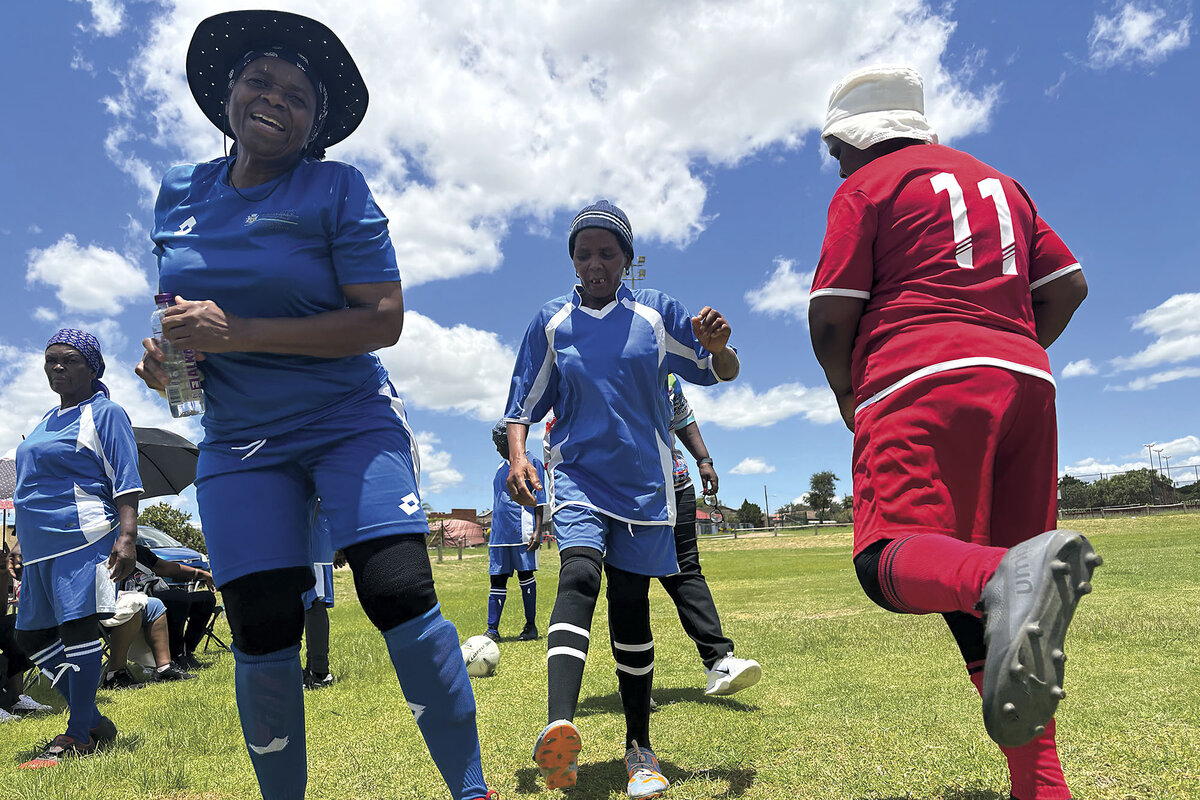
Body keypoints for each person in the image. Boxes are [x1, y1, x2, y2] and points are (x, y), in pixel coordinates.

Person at [135, 11, 493, 800]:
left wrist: (240, 330)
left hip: (347, 418)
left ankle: (472, 791)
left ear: (314, 124)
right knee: (262, 628)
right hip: (238, 441)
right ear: (227, 92)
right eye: (260, 81)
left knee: (398, 592)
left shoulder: (336, 187)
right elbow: (185, 331)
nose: (275, 99)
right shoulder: (177, 196)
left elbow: (384, 320)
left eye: (297, 95)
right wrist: (173, 374)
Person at [808, 66, 1100, 800]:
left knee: (887, 559)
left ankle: (1004, 580)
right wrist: (1007, 349)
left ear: (855, 139)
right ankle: (1044, 787)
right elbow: (1067, 285)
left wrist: (850, 393)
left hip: (919, 374)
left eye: (836, 148)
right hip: (1027, 381)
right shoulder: (1003, 183)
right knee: (995, 619)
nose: (836, 163)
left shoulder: (866, 186)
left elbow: (831, 313)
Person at [504, 199, 740, 798]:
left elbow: (721, 370)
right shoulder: (551, 322)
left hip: (645, 490)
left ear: (627, 260)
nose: (594, 263)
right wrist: (518, 454)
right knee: (579, 575)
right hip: (581, 477)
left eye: (607, 253)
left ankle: (640, 748)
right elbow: (522, 403)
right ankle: (560, 723)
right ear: (573, 260)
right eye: (583, 254)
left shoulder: (657, 314)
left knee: (631, 608)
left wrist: (719, 345)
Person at [9, 329, 140, 767]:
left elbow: (125, 478)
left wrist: (127, 537)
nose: (57, 367)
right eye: (50, 360)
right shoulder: (47, 418)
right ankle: (91, 717)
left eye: (69, 360)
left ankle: (79, 734)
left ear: (93, 368)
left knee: (77, 627)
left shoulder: (105, 413)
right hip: (40, 547)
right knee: (29, 634)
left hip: (81, 536)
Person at [659, 375, 761, 696]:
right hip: (624, 489)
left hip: (676, 485)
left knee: (686, 570)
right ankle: (633, 677)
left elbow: (683, 417)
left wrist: (703, 459)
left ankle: (719, 661)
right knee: (627, 580)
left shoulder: (668, 373)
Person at [485, 421, 544, 643]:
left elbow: (540, 499)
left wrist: (538, 531)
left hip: (523, 532)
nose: (497, 447)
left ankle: (530, 626)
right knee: (497, 580)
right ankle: (492, 630)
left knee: (525, 577)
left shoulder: (532, 461)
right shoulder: (501, 467)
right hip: (499, 536)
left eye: (499, 442)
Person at [123, 543, 217, 670]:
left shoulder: (139, 551)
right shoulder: (108, 555)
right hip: (133, 604)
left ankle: (186, 651)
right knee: (178, 597)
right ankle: (175, 654)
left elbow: (167, 568)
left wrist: (201, 574)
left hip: (158, 597)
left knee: (206, 599)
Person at [99, 592, 193, 688]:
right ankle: (114, 676)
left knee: (155, 605)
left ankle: (164, 669)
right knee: (131, 607)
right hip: (90, 608)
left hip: (108, 596)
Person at [301, 498, 338, 690]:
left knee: (314, 604)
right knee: (312, 605)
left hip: (312, 544)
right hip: (312, 544)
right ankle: (315, 671)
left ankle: (318, 671)